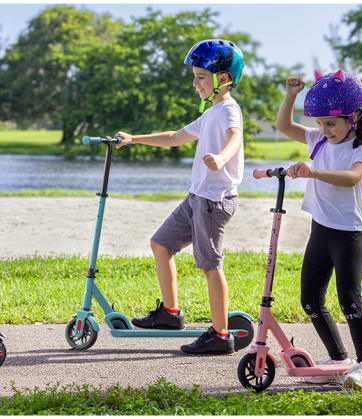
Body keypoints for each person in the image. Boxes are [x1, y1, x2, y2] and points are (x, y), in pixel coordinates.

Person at [114, 39, 246, 355]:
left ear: (223, 78)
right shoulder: (211, 112)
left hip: (214, 201)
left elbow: (236, 138)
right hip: (196, 197)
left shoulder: (228, 110)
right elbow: (175, 137)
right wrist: (134, 139)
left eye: (201, 76)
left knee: (210, 265)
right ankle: (170, 314)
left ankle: (221, 335)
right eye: (195, 76)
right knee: (160, 244)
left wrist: (223, 157)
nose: (195, 82)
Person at [275, 70, 362, 390]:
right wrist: (291, 95)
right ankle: (339, 360)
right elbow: (283, 126)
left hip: (347, 233)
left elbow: (352, 177)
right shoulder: (319, 138)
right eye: (319, 123)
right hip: (321, 229)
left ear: (355, 117)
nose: (324, 130)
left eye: (330, 123)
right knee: (310, 299)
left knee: (349, 301)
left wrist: (313, 172)